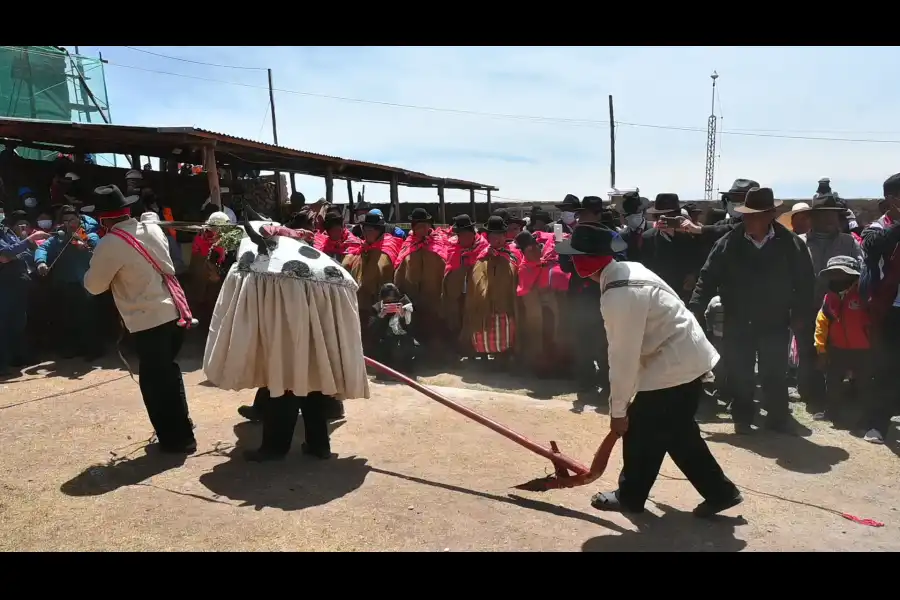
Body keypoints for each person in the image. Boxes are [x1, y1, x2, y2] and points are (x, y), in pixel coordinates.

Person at [556, 222, 742, 517]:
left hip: (672, 364)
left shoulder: (619, 294)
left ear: (583, 262)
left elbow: (622, 356)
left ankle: (630, 496)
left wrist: (618, 411)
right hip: (685, 357)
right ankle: (720, 492)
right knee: (678, 433)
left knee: (640, 428)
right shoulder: (629, 270)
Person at [203, 220, 369, 462]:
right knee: (312, 385)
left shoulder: (267, 267)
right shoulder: (290, 254)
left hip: (288, 333)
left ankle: (275, 447)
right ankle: (318, 445)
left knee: (283, 385)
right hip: (313, 332)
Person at [689, 187, 815, 435]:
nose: (749, 220)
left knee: (774, 372)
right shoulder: (728, 243)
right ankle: (743, 417)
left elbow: (805, 282)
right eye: (747, 215)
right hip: (738, 319)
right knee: (740, 372)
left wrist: (800, 314)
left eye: (755, 215)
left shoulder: (790, 244)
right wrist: (694, 309)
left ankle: (778, 418)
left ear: (771, 215)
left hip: (775, 320)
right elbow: (707, 277)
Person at [83, 185, 197, 454]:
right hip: (174, 312)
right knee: (168, 374)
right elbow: (148, 219)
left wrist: (97, 254)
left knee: (155, 384)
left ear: (103, 219)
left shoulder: (110, 243)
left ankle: (176, 440)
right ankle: (183, 428)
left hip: (149, 321)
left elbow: (93, 286)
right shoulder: (152, 228)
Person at [812, 256, 879, 433]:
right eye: (833, 274)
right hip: (838, 348)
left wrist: (876, 348)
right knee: (833, 382)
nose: (837, 278)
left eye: (842, 274)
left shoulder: (866, 296)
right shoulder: (830, 298)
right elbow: (822, 323)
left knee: (864, 385)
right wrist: (821, 349)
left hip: (863, 349)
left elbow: (875, 322)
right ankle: (831, 412)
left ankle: (866, 419)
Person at [858, 172, 900, 444]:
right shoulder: (877, 227)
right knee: (884, 368)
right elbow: (873, 248)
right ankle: (877, 424)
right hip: (890, 309)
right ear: (893, 200)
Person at [34, 205, 104, 360]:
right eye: (65, 220)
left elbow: (95, 244)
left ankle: (94, 349)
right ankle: (73, 348)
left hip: (86, 282)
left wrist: (83, 244)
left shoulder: (87, 234)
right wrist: (41, 262)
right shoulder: (59, 237)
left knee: (88, 317)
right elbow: (43, 248)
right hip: (66, 283)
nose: (69, 222)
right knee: (69, 317)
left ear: (78, 219)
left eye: (72, 219)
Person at [513, 230, 570, 377]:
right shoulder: (525, 268)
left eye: (538, 245)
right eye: (535, 246)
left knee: (554, 335)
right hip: (537, 313)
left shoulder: (544, 262)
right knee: (538, 337)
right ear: (528, 250)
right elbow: (527, 293)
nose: (539, 248)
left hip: (550, 309)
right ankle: (541, 369)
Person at [393, 208, 449, 356]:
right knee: (415, 326)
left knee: (434, 327)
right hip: (412, 297)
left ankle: (435, 356)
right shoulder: (409, 245)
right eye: (418, 226)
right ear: (413, 228)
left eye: (425, 225)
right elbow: (400, 269)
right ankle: (418, 356)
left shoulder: (439, 243)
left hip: (434, 297)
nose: (423, 229)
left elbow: (446, 268)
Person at [463, 216, 519, 364]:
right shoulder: (481, 257)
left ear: (505, 236)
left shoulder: (512, 255)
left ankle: (504, 357)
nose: (497, 239)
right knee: (483, 328)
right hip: (485, 305)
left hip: (505, 305)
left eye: (500, 235)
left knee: (506, 330)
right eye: (494, 235)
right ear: (488, 237)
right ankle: (484, 358)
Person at [0, 211, 48, 375]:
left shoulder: (6, 231)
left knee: (19, 322)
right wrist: (29, 240)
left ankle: (17, 357)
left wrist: (19, 248)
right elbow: (4, 255)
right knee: (4, 323)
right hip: (4, 284)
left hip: (17, 283)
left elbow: (17, 251)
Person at [342, 210, 402, 337]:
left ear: (379, 230)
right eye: (365, 228)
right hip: (357, 307)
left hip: (376, 311)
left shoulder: (385, 252)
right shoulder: (361, 249)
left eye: (371, 229)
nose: (367, 232)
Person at [639, 193, 708, 303]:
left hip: (685, 294)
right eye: (660, 216)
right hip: (658, 293)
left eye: (668, 216)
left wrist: (693, 276)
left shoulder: (691, 236)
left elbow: (702, 260)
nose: (663, 220)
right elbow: (646, 265)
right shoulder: (648, 237)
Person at [442, 214, 488, 355]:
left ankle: (477, 349)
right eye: (460, 235)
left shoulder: (483, 247)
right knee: (457, 317)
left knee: (474, 319)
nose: (462, 238)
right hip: (458, 291)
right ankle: (460, 348)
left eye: (465, 235)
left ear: (471, 233)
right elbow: (448, 267)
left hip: (475, 292)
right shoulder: (452, 246)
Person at [368, 282, 418, 375]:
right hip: (385, 342)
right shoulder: (377, 308)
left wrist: (404, 316)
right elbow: (372, 332)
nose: (391, 304)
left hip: (403, 342)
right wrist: (380, 316)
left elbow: (413, 329)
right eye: (388, 302)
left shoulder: (405, 306)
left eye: (393, 301)